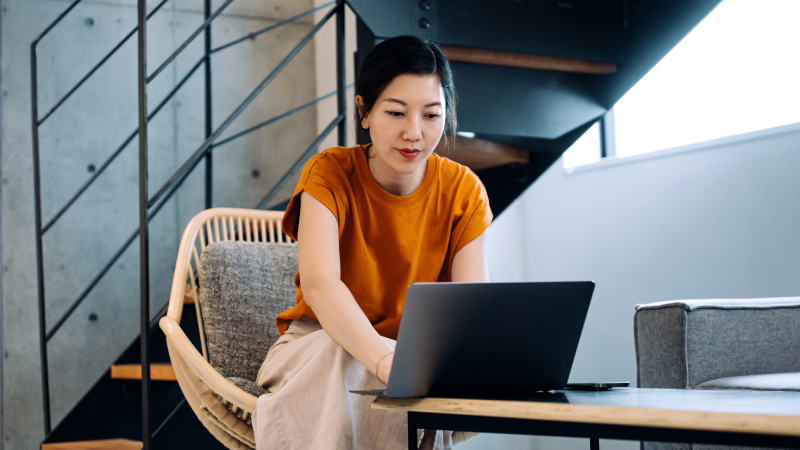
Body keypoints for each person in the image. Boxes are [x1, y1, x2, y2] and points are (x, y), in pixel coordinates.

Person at [253, 35, 492, 450]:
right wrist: (383, 360)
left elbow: (470, 307)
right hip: (315, 348)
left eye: (432, 114)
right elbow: (320, 283)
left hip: (409, 359)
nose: (414, 133)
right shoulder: (329, 173)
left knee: (396, 376)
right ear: (364, 111)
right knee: (354, 360)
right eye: (396, 112)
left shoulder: (464, 191)